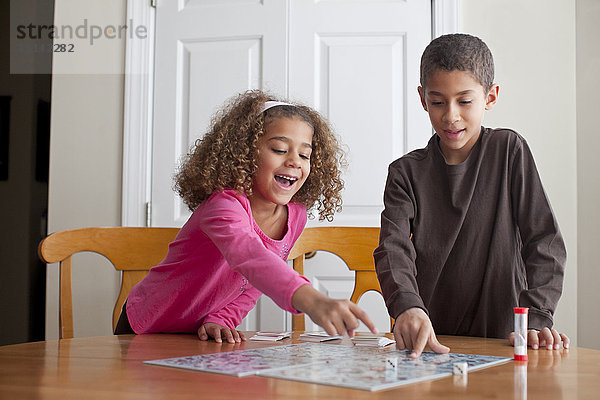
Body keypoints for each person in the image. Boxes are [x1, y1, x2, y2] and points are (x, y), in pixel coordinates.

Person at [115, 90, 377, 342]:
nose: (295, 161)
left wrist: (223, 318)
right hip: (146, 327)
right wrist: (311, 299)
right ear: (245, 154)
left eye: (304, 154)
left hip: (196, 336)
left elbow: (252, 283)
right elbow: (250, 257)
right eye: (279, 149)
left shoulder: (295, 216)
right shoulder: (222, 206)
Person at [373, 33, 569, 358]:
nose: (451, 116)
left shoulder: (509, 151)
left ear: (490, 97)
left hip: (507, 338)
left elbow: (545, 241)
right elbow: (393, 249)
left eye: (464, 101)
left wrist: (537, 316)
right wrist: (406, 306)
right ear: (422, 99)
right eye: (438, 102)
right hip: (434, 341)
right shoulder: (405, 173)